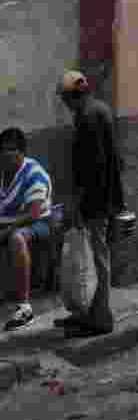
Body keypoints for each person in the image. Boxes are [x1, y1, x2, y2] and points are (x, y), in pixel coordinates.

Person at [54, 71, 125, 337]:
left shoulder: (88, 116)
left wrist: (79, 203)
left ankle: (100, 318)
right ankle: (87, 313)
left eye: (64, 99)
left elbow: (94, 166)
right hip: (101, 198)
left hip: (96, 202)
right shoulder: (97, 109)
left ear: (70, 97)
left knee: (96, 259)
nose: (64, 104)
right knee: (91, 259)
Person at [0, 127, 53, 332]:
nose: (6, 154)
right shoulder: (3, 172)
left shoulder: (34, 173)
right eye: (3, 149)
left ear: (22, 152)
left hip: (36, 224)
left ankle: (24, 308)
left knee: (16, 239)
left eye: (11, 149)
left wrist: (7, 231)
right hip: (7, 222)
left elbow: (34, 213)